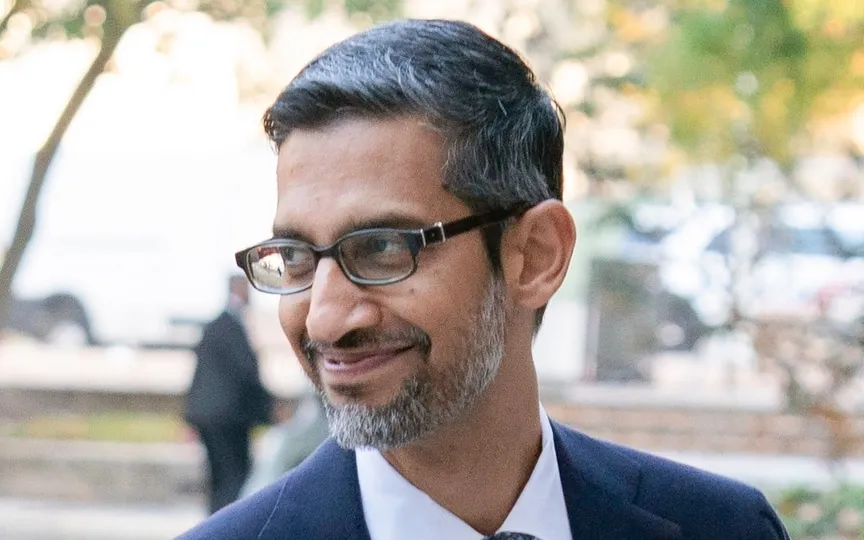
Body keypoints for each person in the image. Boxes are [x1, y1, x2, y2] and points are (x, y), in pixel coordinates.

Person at [180, 19, 790, 540]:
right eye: (297, 256)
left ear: (535, 256)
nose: (324, 318)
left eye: (384, 248)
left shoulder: (724, 526)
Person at [183, 275, 273, 515]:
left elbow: (198, 374)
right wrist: (270, 409)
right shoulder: (233, 327)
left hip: (208, 416)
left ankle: (216, 525)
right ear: (240, 290)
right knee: (233, 478)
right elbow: (246, 372)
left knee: (218, 478)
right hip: (229, 419)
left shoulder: (214, 326)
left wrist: (190, 416)